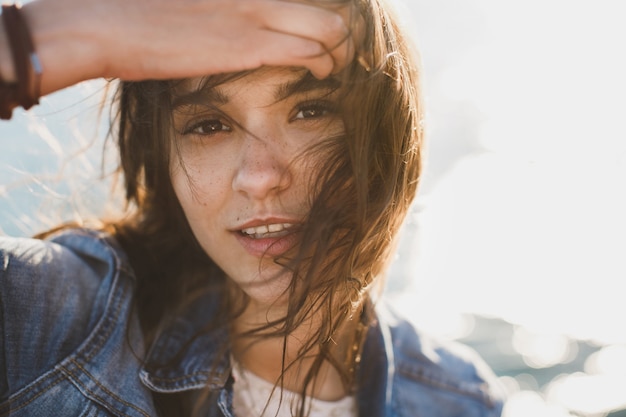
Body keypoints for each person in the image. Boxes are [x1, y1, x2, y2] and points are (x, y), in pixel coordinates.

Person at [0, 0, 505, 416]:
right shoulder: (55, 326)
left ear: (387, 133)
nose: (260, 176)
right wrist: (70, 36)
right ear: (163, 160)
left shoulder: (459, 400)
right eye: (208, 125)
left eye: (312, 110)